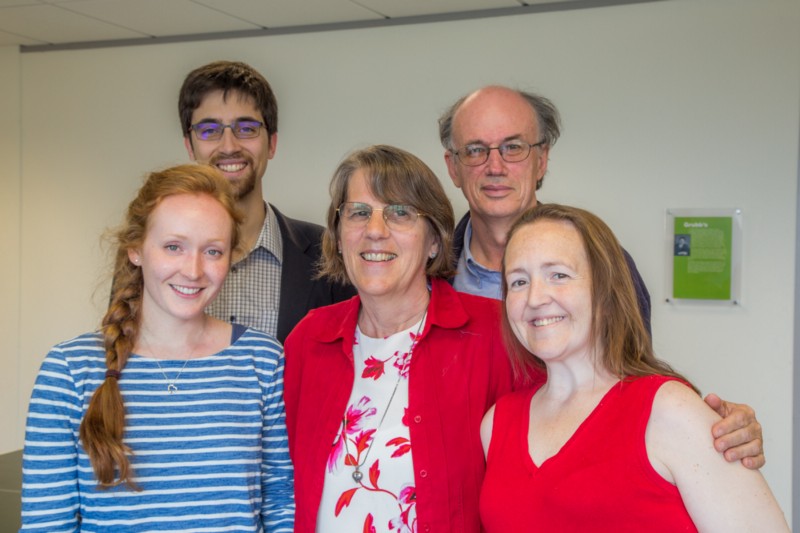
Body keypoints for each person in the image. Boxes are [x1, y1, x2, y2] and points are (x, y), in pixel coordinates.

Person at [438, 85, 765, 468]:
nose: (495, 166)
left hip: (566, 483)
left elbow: (633, 383)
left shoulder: (605, 266)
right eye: (475, 150)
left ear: (541, 159)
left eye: (514, 147)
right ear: (453, 167)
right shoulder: (426, 277)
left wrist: (708, 429)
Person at [479, 203, 788, 532]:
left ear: (604, 291)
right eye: (518, 282)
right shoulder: (496, 424)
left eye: (559, 275)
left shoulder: (669, 410)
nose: (535, 298)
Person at [20, 165, 294, 532]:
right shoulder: (70, 369)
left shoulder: (263, 360)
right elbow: (47, 524)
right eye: (173, 247)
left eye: (213, 251)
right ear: (136, 249)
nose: (193, 270)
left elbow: (281, 503)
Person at [283, 145, 519, 532]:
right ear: (339, 237)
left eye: (400, 213)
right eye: (359, 213)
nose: (375, 230)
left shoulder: (495, 333)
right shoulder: (309, 339)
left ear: (434, 240)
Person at [179, 60, 354, 344]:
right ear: (190, 145)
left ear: (271, 143)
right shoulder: (158, 258)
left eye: (246, 128)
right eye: (209, 130)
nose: (229, 146)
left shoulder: (327, 253)